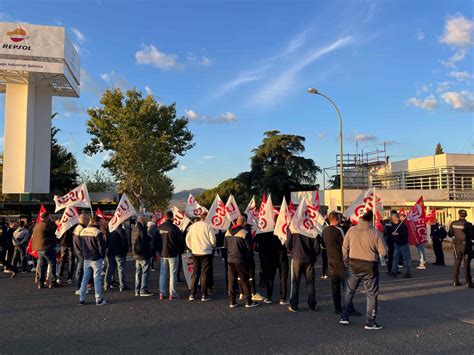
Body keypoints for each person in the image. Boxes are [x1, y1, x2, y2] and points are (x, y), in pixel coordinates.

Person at [339, 210, 387, 330]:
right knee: (371, 294)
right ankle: (370, 321)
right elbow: (384, 251)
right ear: (371, 219)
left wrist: (346, 261)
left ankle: (344, 316)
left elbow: (344, 247)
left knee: (348, 291)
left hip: (353, 263)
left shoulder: (351, 230)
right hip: (370, 265)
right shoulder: (375, 232)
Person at [323, 211, 360, 315]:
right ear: (336, 219)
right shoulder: (339, 230)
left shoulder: (324, 231)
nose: (340, 220)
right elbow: (345, 246)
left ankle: (337, 308)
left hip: (331, 261)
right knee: (346, 287)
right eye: (339, 218)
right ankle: (348, 307)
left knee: (335, 287)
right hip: (340, 262)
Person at [224, 215, 259, 308]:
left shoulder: (227, 232)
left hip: (230, 259)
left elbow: (226, 246)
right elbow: (249, 247)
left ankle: (232, 301)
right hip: (240, 259)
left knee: (231, 280)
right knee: (244, 280)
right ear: (244, 223)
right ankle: (248, 301)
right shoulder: (244, 233)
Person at [77, 217, 108, 305]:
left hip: (86, 258)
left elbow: (80, 245)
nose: (101, 224)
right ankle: (98, 299)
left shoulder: (83, 231)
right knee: (97, 279)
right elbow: (101, 247)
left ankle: (81, 299)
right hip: (96, 258)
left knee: (85, 279)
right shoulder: (98, 232)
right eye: (100, 222)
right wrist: (102, 256)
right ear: (96, 222)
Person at [185, 212, 216, 302]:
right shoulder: (208, 226)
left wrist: (192, 247)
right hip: (206, 252)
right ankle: (204, 294)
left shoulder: (193, 226)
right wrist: (212, 246)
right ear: (206, 218)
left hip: (195, 252)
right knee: (204, 274)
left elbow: (187, 239)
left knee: (195, 273)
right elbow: (213, 240)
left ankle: (192, 294)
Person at [286, 230, 318, 312]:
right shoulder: (310, 226)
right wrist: (314, 254)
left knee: (295, 282)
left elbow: (288, 244)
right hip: (309, 257)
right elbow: (316, 244)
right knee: (310, 282)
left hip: (297, 256)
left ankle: (294, 305)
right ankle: (312, 305)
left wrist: (292, 250)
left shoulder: (293, 226)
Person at [157, 211, 185, 300]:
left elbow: (155, 241)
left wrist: (158, 251)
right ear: (172, 217)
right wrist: (179, 250)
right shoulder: (175, 228)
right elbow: (181, 241)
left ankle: (162, 293)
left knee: (163, 273)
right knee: (173, 274)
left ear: (165, 217)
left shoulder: (159, 227)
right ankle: (172, 294)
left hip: (163, 254)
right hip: (173, 254)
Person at [32, 212, 60, 289]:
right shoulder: (47, 225)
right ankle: (52, 282)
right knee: (52, 263)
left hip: (39, 248)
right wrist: (52, 222)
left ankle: (41, 283)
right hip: (47, 247)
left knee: (42, 265)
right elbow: (55, 229)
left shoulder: (37, 225)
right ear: (47, 217)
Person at [449, 210, 473, 288]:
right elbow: (472, 236)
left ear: (458, 215)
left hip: (456, 246)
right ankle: (468, 282)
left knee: (457, 263)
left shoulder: (453, 223)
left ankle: (455, 281)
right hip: (466, 246)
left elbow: (450, 234)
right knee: (466, 265)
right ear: (466, 215)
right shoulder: (468, 224)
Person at [132, 215, 153, 296]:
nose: (147, 221)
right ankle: (143, 290)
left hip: (136, 253)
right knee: (145, 272)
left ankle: (137, 290)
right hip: (143, 254)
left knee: (138, 272)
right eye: (146, 220)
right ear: (142, 220)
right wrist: (149, 237)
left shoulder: (134, 228)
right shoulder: (142, 229)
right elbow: (144, 241)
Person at [104, 223, 129, 292]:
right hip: (120, 252)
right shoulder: (121, 230)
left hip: (110, 252)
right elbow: (124, 241)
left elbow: (106, 242)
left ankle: (106, 284)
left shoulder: (109, 230)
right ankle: (122, 285)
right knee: (121, 269)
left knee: (110, 269)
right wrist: (125, 250)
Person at [388, 212, 411, 278]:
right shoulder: (393, 225)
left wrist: (398, 233)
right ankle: (394, 271)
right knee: (395, 258)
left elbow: (406, 234)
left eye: (392, 218)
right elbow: (389, 233)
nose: (391, 219)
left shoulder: (403, 225)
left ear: (395, 218)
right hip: (396, 244)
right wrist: (391, 234)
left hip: (403, 244)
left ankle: (408, 273)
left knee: (406, 259)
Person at [73, 214, 90, 295]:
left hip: (79, 252)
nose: (87, 221)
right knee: (80, 270)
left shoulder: (79, 228)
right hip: (81, 253)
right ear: (81, 220)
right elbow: (79, 242)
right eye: (85, 219)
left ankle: (81, 287)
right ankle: (79, 288)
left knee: (81, 270)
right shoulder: (81, 228)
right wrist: (82, 251)